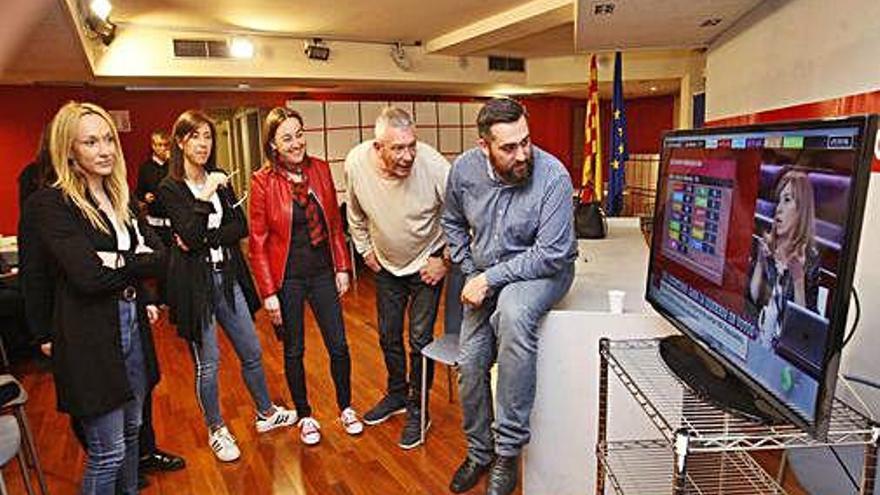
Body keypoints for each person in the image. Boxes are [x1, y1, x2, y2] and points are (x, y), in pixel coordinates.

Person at [442, 98, 577, 495]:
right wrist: (470, 270)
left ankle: (507, 451)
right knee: (469, 364)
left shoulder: (553, 176)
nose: (522, 154)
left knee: (514, 314)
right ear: (484, 146)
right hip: (486, 273)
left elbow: (551, 253)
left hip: (543, 271)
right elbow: (451, 219)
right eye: (509, 147)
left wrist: (489, 279)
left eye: (526, 141)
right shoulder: (464, 170)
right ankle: (479, 451)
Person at [29, 101, 165, 494]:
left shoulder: (120, 198)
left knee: (133, 432)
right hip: (89, 332)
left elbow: (161, 258)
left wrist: (117, 262)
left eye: (108, 139)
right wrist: (134, 260)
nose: (105, 150)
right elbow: (87, 277)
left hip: (132, 322)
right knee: (107, 451)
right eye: (91, 142)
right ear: (68, 150)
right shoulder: (51, 204)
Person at [158, 110, 296, 462]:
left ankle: (266, 413)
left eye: (208, 136)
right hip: (196, 285)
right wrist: (204, 197)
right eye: (195, 137)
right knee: (209, 362)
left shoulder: (220, 177)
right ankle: (216, 429)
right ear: (180, 142)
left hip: (228, 276)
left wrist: (204, 236)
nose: (203, 144)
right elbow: (186, 232)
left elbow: (239, 227)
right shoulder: (170, 187)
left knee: (251, 350)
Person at [248, 107, 362, 445]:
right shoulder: (262, 182)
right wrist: (268, 292)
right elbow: (258, 241)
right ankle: (306, 416)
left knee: (339, 345)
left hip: (323, 272)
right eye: (287, 138)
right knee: (294, 350)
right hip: (289, 278)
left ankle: (346, 407)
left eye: (299, 134)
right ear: (273, 145)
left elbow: (334, 225)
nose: (296, 143)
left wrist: (342, 266)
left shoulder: (321, 170)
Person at [344, 106, 450, 449]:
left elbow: (462, 218)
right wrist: (364, 252)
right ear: (378, 148)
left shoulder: (434, 166)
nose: (407, 156)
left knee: (419, 340)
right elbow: (355, 213)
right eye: (397, 149)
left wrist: (443, 260)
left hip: (426, 265)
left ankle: (419, 408)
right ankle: (397, 395)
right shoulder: (357, 163)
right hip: (386, 265)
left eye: (412, 146)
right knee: (388, 335)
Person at [748, 167, 820, 347]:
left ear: (801, 210)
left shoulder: (810, 259)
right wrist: (760, 262)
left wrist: (797, 278)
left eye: (787, 200)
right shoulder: (769, 246)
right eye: (778, 201)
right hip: (759, 336)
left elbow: (803, 329)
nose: (778, 209)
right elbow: (754, 299)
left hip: (785, 346)